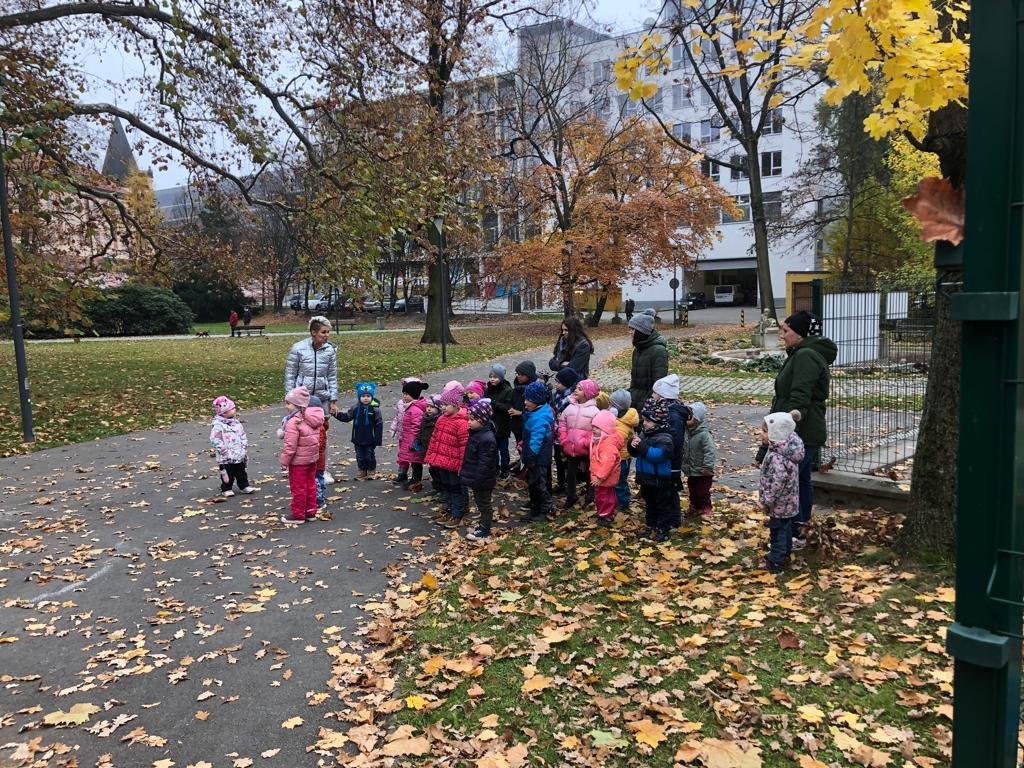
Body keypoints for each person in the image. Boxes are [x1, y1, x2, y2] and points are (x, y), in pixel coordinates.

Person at [768, 310, 837, 548]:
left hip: (802, 431)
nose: (782, 335)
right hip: (804, 430)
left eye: (786, 331)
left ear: (800, 333)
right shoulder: (801, 353)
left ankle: (792, 534)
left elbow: (800, 397)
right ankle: (801, 528)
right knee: (801, 480)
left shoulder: (806, 356)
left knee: (791, 483)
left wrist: (785, 431)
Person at [285, 316, 339, 481]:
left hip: (321, 398)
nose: (326, 335)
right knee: (301, 435)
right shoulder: (298, 348)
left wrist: (333, 400)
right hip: (302, 400)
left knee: (321, 436)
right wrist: (290, 398)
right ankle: (299, 467)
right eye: (323, 332)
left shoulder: (329, 350)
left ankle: (322, 470)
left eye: (328, 332)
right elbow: (290, 374)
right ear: (313, 332)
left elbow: (332, 375)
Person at [759, 410, 805, 572]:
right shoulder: (788, 450)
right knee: (785, 528)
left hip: (778, 503)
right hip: (789, 501)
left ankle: (775, 561)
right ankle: (785, 553)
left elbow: (777, 482)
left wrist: (766, 500)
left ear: (776, 433)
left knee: (777, 531)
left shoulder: (777, 456)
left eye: (765, 431)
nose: (761, 434)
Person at [628, 397, 675, 542]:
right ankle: (651, 525)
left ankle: (663, 529)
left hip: (659, 479)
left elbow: (657, 455)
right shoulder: (644, 434)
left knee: (662, 505)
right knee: (649, 504)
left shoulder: (665, 439)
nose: (644, 423)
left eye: (648, 421)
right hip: (646, 478)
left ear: (658, 422)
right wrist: (632, 445)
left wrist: (641, 446)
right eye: (644, 420)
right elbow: (637, 453)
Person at [279, 386, 325, 525]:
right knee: (310, 485)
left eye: (288, 403)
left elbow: (290, 446)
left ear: (297, 404)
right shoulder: (311, 420)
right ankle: (310, 511)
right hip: (311, 459)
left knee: (299, 487)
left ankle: (298, 514)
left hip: (298, 462)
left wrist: (284, 461)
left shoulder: (294, 422)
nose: (286, 406)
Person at [426, 386, 470, 528]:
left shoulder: (462, 423)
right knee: (447, 487)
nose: (443, 407)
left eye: (446, 405)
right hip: (442, 462)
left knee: (456, 489)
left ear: (456, 405)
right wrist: (430, 456)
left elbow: (464, 447)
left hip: (454, 464)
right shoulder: (441, 419)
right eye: (442, 404)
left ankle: (457, 515)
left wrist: (462, 465)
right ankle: (449, 511)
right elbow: (434, 439)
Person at [558, 378, 600, 510]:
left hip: (586, 449)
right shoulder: (570, 407)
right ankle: (571, 496)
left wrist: (586, 442)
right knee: (571, 474)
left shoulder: (594, 411)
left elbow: (596, 430)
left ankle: (591, 496)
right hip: (571, 447)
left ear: (588, 393)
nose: (576, 390)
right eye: (576, 388)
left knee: (589, 473)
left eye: (580, 389)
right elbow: (562, 423)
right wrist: (564, 439)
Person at [462, 399, 499, 542]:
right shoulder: (476, 433)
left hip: (483, 479)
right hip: (477, 477)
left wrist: (478, 479)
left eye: (472, 419)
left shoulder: (486, 438)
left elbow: (485, 463)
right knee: (479, 502)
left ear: (482, 420)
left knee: (484, 503)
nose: (469, 422)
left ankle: (485, 529)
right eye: (469, 419)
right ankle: (483, 524)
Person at [520, 380, 554, 523]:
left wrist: (531, 456)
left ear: (537, 400)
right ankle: (536, 507)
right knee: (533, 484)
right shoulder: (534, 412)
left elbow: (536, 441)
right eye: (525, 399)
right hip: (533, 456)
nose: (525, 402)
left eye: (529, 400)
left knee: (539, 484)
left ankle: (546, 508)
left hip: (538, 458)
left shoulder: (539, 418)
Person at [333, 382, 384, 479]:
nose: (366, 398)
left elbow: (379, 424)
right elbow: (346, 417)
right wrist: (336, 414)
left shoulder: (375, 410)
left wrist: (377, 439)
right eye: (363, 396)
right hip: (357, 437)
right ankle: (362, 470)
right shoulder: (355, 408)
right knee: (359, 456)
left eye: (368, 396)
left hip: (370, 438)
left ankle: (371, 470)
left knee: (369, 455)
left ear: (372, 397)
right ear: (359, 397)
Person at [210, 395, 255, 497]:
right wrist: (223, 450)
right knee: (228, 472)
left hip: (239, 452)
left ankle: (244, 485)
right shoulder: (218, 425)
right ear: (224, 412)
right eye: (232, 408)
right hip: (226, 456)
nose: (235, 409)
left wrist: (244, 445)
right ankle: (226, 488)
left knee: (241, 471)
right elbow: (215, 439)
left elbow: (242, 434)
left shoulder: (236, 423)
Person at [627, 312, 669, 411]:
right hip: (635, 400)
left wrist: (646, 405)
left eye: (633, 329)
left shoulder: (659, 351)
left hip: (648, 404)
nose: (630, 332)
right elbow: (634, 382)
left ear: (641, 331)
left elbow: (658, 386)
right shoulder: (638, 349)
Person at [590, 410, 624, 528]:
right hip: (602, 477)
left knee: (603, 497)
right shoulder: (600, 441)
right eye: (593, 426)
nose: (594, 429)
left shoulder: (607, 446)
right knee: (607, 495)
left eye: (597, 427)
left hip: (604, 478)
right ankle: (608, 512)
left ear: (605, 430)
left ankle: (604, 515)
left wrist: (599, 477)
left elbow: (607, 464)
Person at [394, 379, 430, 490]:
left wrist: (413, 441)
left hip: (413, 442)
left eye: (407, 394)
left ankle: (416, 480)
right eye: (403, 394)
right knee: (414, 460)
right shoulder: (409, 407)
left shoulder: (415, 409)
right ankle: (414, 479)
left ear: (413, 395)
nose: (404, 396)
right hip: (408, 439)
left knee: (416, 461)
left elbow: (416, 427)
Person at [549, 367, 579, 493]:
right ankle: (561, 483)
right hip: (556, 434)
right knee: (558, 460)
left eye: (559, 382)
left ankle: (569, 485)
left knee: (566, 461)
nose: (556, 384)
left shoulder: (570, 399)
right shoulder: (556, 395)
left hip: (565, 435)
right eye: (556, 381)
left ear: (567, 384)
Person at [683, 402, 716, 517]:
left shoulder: (704, 434)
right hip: (691, 469)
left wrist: (707, 466)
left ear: (696, 419)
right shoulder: (687, 433)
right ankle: (695, 506)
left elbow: (709, 451)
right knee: (693, 490)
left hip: (703, 471)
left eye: (689, 417)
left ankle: (706, 507)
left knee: (703, 491)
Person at [610, 388, 639, 513]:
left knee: (619, 481)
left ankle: (623, 502)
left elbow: (617, 442)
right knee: (618, 480)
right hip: (623, 457)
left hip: (621, 458)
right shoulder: (624, 418)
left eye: (611, 404)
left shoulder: (621, 425)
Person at [485, 364, 514, 478]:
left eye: (495, 377)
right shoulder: (488, 389)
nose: (492, 379)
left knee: (503, 449)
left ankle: (505, 468)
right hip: (491, 423)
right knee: (493, 449)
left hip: (503, 424)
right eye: (491, 376)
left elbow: (508, 407)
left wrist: (494, 404)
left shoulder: (507, 390)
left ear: (501, 378)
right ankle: (495, 468)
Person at [508, 361, 537, 468]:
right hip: (516, 425)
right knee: (520, 447)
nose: (518, 376)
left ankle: (528, 469)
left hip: (527, 426)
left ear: (529, 375)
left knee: (528, 449)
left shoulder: (533, 389)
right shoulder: (516, 388)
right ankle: (522, 466)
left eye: (522, 374)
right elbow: (511, 400)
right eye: (517, 374)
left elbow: (536, 409)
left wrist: (520, 413)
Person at [416, 396, 443, 498]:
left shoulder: (439, 420)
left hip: (436, 450)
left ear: (438, 408)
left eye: (432, 407)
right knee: (432, 470)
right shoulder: (425, 418)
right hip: (426, 448)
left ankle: (442, 489)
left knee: (438, 471)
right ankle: (436, 487)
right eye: (427, 406)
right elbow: (421, 430)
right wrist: (418, 440)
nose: (429, 409)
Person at [308, 395, 329, 508]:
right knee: (317, 479)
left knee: (317, 480)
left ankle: (319, 500)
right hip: (317, 458)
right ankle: (319, 497)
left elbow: (319, 444)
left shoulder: (318, 426)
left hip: (317, 459)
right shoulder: (320, 424)